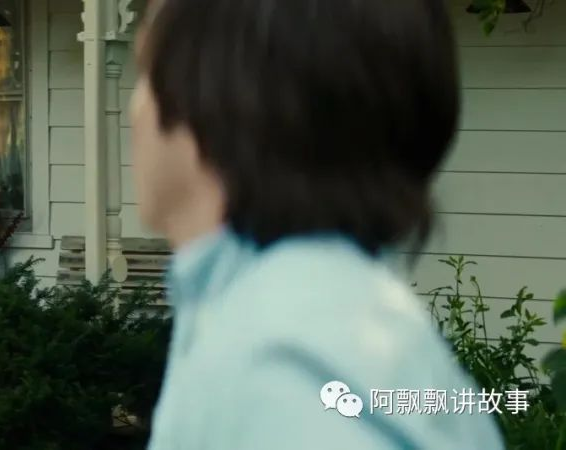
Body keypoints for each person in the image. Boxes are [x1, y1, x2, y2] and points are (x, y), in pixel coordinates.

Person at [129, 0, 506, 449]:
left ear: (209, 99)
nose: (134, 112)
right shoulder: (345, 322)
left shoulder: (279, 359)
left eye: (145, 71)